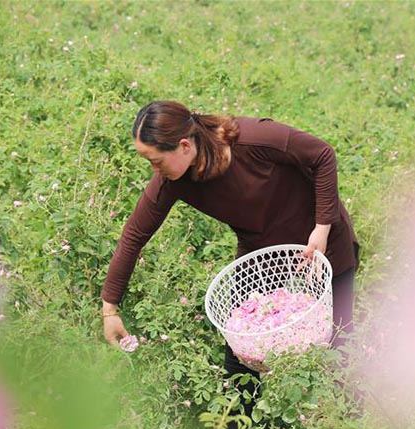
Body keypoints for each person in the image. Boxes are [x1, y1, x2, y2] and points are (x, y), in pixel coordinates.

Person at [100, 100, 358, 388]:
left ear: (184, 145)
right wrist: (109, 309)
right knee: (241, 351)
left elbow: (322, 155)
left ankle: (346, 425)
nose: (154, 170)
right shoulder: (172, 181)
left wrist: (321, 228)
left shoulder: (253, 139)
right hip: (260, 253)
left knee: (340, 340)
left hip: (321, 239)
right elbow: (134, 234)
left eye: (156, 160)